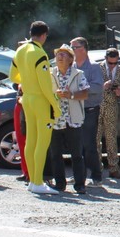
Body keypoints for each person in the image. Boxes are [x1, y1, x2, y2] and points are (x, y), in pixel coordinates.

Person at [10, 21, 61, 195]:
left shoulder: (20, 50)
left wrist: (25, 82)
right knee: (42, 142)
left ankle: (32, 180)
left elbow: (12, 76)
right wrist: (55, 105)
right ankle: (38, 181)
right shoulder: (39, 53)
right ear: (44, 35)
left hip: (27, 100)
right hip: (40, 100)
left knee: (30, 140)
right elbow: (46, 86)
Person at [47, 44, 89, 193]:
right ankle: (60, 184)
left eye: (64, 54)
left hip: (73, 119)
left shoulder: (78, 74)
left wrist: (70, 95)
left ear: (71, 59)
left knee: (77, 155)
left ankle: (80, 185)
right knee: (55, 154)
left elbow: (85, 94)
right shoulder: (50, 74)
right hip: (56, 119)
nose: (59, 56)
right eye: (58, 54)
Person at [71, 37, 106, 186]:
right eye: (71, 47)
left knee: (89, 144)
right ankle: (80, 176)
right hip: (74, 109)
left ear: (83, 49)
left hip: (89, 109)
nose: (71, 50)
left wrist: (81, 89)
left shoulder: (94, 67)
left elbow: (99, 87)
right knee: (76, 144)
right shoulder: (70, 67)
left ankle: (96, 176)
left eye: (74, 47)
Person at [98, 47, 120, 178]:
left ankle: (113, 168)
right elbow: (90, 87)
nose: (112, 66)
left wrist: (119, 93)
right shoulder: (97, 68)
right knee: (95, 138)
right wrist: (102, 87)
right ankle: (97, 167)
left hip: (112, 106)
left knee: (111, 138)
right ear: (105, 59)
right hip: (97, 105)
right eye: (110, 63)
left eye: (115, 63)